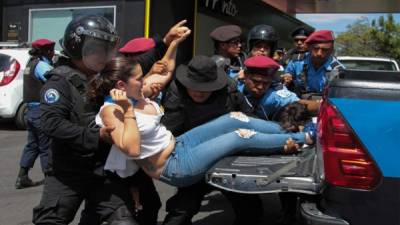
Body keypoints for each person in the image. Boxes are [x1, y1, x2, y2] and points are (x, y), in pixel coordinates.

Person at [92, 56, 314, 189]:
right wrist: (128, 111)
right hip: (174, 167)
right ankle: (306, 138)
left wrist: (173, 42)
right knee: (238, 136)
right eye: (140, 78)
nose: (145, 80)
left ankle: (298, 130)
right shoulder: (112, 111)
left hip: (179, 143)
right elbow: (131, 148)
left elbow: (166, 69)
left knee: (234, 119)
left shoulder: (138, 92)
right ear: (122, 85)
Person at [33, 15, 140, 225]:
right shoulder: (59, 84)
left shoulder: (103, 79)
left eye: (106, 49)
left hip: (102, 170)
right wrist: (96, 135)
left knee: (124, 220)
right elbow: (51, 123)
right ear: (77, 47)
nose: (103, 55)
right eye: (96, 49)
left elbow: (137, 69)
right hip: (67, 172)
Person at [160, 55, 261, 225]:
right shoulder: (177, 92)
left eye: (204, 88)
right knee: (181, 211)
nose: (198, 92)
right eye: (194, 87)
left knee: (250, 210)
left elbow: (250, 120)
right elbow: (168, 132)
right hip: (193, 158)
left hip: (228, 158)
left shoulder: (229, 90)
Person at [16, 38, 55, 189]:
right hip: (41, 111)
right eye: (51, 50)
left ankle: (22, 176)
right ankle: (49, 178)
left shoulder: (30, 63)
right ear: (46, 51)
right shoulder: (42, 65)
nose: (53, 53)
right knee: (46, 145)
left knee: (32, 145)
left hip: (31, 112)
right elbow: (54, 80)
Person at [282, 30, 344, 99]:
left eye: (325, 50)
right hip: (298, 102)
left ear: (331, 50)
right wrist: (286, 77)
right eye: (316, 49)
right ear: (308, 47)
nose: (319, 53)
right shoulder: (296, 61)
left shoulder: (338, 70)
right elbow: (286, 77)